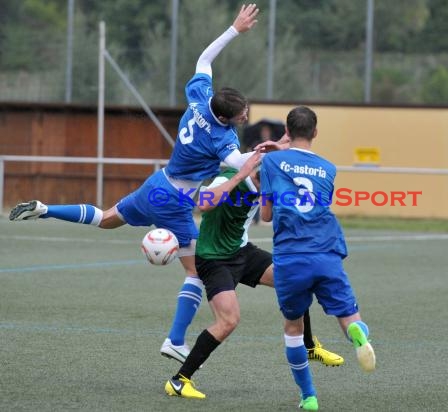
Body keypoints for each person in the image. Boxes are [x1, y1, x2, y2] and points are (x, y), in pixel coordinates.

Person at [8, 4, 261, 364]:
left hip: (158, 183)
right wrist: (275, 152)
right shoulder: (222, 140)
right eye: (241, 115)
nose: (245, 116)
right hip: (178, 197)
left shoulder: (199, 99)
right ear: (225, 118)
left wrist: (234, 29)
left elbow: (204, 59)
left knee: (107, 217)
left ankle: (47, 210)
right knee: (195, 271)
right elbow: (244, 165)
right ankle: (175, 340)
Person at [164, 151, 344, 400]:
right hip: (214, 259)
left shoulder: (268, 184)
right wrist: (239, 176)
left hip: (243, 251)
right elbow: (203, 203)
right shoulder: (228, 178)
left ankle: (309, 347)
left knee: (295, 279)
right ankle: (179, 381)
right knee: (228, 321)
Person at [259, 106, 376, 411]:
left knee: (294, 329)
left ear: (287, 130)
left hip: (290, 256)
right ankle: (356, 333)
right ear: (315, 132)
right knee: (350, 316)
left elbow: (266, 216)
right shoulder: (328, 168)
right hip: (326, 252)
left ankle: (308, 396)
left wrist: (276, 154)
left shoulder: (271, 161)